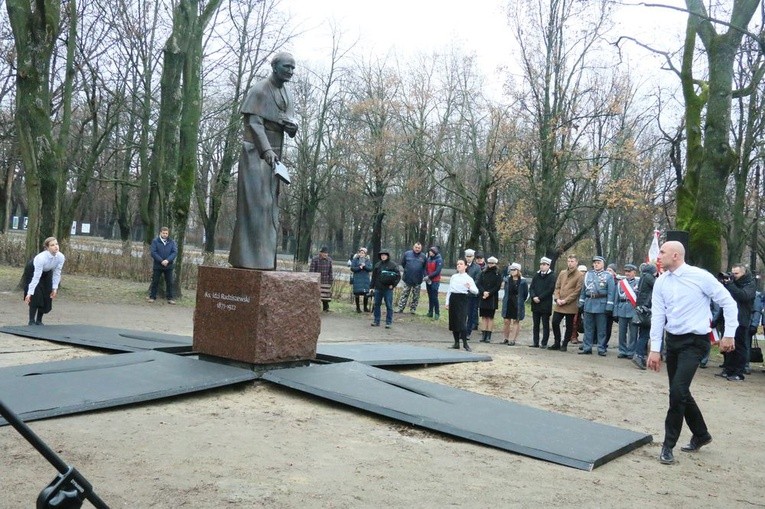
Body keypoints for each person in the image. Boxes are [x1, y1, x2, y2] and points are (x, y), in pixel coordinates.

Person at [648, 241, 737, 465]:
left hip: (695, 342)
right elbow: (658, 316)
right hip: (674, 341)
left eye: (662, 252)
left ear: (675, 255)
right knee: (680, 390)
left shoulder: (700, 277)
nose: (658, 256)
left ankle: (668, 446)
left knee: (677, 392)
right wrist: (655, 349)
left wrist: (729, 334)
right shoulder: (661, 283)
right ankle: (701, 434)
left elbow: (728, 302)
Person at [229, 52, 298, 270]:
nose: (290, 71)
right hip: (255, 154)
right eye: (287, 67)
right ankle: (248, 260)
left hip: (274, 156)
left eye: (293, 68)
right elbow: (255, 124)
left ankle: (264, 261)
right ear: (275, 67)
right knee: (256, 206)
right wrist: (266, 151)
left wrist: (292, 127)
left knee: (270, 209)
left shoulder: (287, 94)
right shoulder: (259, 90)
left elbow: (286, 121)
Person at [717, 264, 755, 381]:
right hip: (728, 318)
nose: (733, 275)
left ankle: (739, 372)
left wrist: (731, 285)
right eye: (732, 273)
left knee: (739, 346)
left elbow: (743, 296)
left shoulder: (750, 284)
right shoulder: (732, 283)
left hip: (741, 319)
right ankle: (728, 369)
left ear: (744, 273)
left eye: (736, 273)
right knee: (727, 345)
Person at [23, 237, 65, 326]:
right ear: (47, 248)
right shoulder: (41, 258)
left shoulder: (61, 257)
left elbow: (57, 273)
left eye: (56, 244)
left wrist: (55, 288)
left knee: (47, 294)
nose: (56, 247)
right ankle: (31, 321)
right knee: (36, 295)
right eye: (52, 245)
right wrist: (29, 293)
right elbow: (36, 277)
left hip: (47, 272)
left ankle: (39, 320)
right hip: (33, 271)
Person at [578, 255, 615, 356]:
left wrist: (609, 306)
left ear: (603, 264)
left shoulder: (608, 276)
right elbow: (583, 290)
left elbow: (611, 293)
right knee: (588, 328)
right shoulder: (588, 274)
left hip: (601, 304)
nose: (596, 264)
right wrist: (581, 302)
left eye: (598, 262)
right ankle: (587, 347)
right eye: (594, 263)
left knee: (601, 329)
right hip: (589, 303)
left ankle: (601, 348)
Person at [550, 254, 584, 351]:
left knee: (569, 325)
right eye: (568, 261)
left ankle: (564, 344)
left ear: (576, 262)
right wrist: (557, 298)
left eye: (572, 261)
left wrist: (566, 300)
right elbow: (557, 287)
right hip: (559, 303)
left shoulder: (580, 275)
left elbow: (577, 291)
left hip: (570, 305)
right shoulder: (562, 273)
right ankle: (557, 342)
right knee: (555, 322)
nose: (570, 263)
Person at [445, 258, 479, 351]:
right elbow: (449, 290)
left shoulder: (468, 278)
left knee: (462, 322)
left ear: (465, 266)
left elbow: (476, 291)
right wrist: (447, 302)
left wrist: (470, 287)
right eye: (457, 264)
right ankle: (456, 343)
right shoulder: (454, 277)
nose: (459, 265)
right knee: (453, 321)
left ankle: (465, 343)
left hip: (462, 299)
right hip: (453, 298)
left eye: (461, 264)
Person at [632, 263, 657, 370]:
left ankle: (640, 355)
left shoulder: (643, 277)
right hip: (647, 310)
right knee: (645, 335)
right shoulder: (649, 278)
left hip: (642, 309)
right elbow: (659, 286)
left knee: (643, 334)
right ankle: (639, 355)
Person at [528, 256, 556, 348]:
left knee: (545, 324)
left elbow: (550, 289)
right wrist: (533, 296)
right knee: (536, 324)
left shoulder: (552, 276)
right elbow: (531, 287)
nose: (542, 266)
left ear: (548, 266)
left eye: (544, 265)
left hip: (545, 304)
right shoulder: (536, 275)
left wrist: (540, 297)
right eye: (541, 264)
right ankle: (535, 342)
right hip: (535, 304)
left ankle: (544, 342)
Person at [370, 248, 401, 328]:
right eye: (382, 255)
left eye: (385, 255)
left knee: (389, 305)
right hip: (378, 288)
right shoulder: (377, 265)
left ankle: (389, 322)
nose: (383, 257)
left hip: (388, 289)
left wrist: (393, 285)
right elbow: (374, 277)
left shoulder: (393, 265)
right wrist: (371, 287)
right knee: (376, 304)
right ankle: (376, 321)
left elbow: (398, 276)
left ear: (388, 256)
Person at [615, 263, 640, 359]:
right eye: (626, 271)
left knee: (633, 333)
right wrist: (615, 311)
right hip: (622, 309)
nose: (627, 273)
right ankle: (622, 350)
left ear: (634, 272)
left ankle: (631, 351)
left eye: (629, 271)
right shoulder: (621, 283)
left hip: (633, 309)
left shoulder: (638, 282)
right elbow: (616, 298)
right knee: (622, 332)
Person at [500, 262, 528, 346]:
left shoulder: (523, 281)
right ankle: (506, 338)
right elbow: (505, 291)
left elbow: (525, 294)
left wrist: (520, 301)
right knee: (506, 320)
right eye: (511, 269)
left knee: (516, 320)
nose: (512, 271)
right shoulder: (507, 280)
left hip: (517, 303)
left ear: (518, 270)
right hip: (508, 302)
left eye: (514, 269)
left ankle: (512, 339)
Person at [148, 227, 178, 304]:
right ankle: (152, 297)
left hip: (169, 265)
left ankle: (170, 298)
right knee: (155, 281)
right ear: (160, 233)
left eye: (166, 233)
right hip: (158, 265)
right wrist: (161, 261)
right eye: (163, 233)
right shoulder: (155, 241)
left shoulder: (172, 242)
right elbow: (153, 252)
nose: (165, 235)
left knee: (169, 282)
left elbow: (174, 252)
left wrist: (167, 260)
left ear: (168, 234)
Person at [476, 256, 502, 343]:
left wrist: (489, 293)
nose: (490, 265)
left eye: (492, 263)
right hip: (483, 297)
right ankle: (483, 334)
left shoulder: (498, 273)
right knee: (483, 317)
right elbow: (479, 283)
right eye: (489, 263)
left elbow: (497, 286)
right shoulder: (483, 272)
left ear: (495, 264)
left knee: (490, 317)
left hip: (492, 298)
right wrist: (483, 292)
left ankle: (488, 335)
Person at [397, 242, 427, 314]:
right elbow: (403, 263)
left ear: (421, 249)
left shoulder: (423, 256)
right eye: (416, 247)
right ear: (413, 247)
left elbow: (424, 267)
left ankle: (413, 309)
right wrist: (408, 270)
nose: (417, 249)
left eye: (419, 248)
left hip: (417, 279)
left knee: (416, 296)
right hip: (407, 278)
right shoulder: (407, 254)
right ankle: (400, 308)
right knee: (404, 294)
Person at [310, 246, 334, 312]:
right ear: (320, 253)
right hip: (317, 280)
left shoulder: (329, 260)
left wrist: (330, 280)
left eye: (326, 253)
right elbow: (312, 271)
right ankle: (314, 308)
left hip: (325, 280)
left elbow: (330, 271)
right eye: (324, 253)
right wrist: (313, 280)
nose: (325, 254)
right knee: (316, 295)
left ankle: (326, 308)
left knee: (325, 295)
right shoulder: (315, 259)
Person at [465, 249, 484, 335]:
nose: (469, 258)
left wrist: (470, 287)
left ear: (473, 257)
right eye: (467, 256)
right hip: (462, 293)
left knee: (471, 312)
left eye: (470, 256)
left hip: (472, 293)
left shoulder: (477, 267)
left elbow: (477, 280)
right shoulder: (463, 265)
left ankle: (470, 329)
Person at [350, 247, 372, 313]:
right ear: (359, 253)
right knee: (357, 293)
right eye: (360, 252)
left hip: (365, 279)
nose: (361, 254)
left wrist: (365, 266)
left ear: (365, 254)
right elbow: (352, 268)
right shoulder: (355, 260)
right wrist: (359, 267)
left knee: (366, 294)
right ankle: (358, 308)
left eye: (363, 253)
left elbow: (370, 268)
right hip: (357, 279)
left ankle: (365, 307)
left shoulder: (368, 260)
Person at [423, 246, 443, 320]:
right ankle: (430, 312)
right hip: (428, 280)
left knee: (434, 297)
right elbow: (425, 268)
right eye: (429, 251)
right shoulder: (428, 259)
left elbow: (437, 271)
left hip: (435, 281)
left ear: (434, 252)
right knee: (430, 296)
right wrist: (426, 276)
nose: (429, 252)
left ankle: (437, 313)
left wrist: (429, 277)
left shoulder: (439, 260)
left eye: (431, 251)